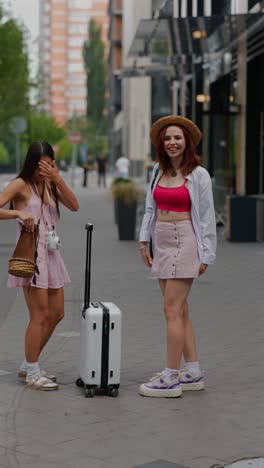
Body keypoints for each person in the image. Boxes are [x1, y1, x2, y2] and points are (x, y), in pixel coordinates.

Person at [138, 115, 217, 398]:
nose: (172, 143)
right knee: (180, 309)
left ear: (187, 142)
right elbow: (150, 209)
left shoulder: (199, 175)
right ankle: (193, 372)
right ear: (162, 142)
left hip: (185, 239)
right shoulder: (157, 172)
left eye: (178, 138)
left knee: (171, 310)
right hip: (161, 239)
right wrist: (143, 239)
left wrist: (207, 253)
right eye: (168, 138)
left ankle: (170, 378)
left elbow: (206, 217)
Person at [0, 141, 79, 391]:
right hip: (32, 256)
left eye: (48, 164)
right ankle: (33, 371)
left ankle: (27, 365)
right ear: (31, 162)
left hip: (53, 255)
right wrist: (18, 214)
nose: (42, 169)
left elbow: (75, 206)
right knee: (40, 315)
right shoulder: (21, 184)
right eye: (39, 164)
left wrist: (56, 178)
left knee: (57, 313)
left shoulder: (50, 183)